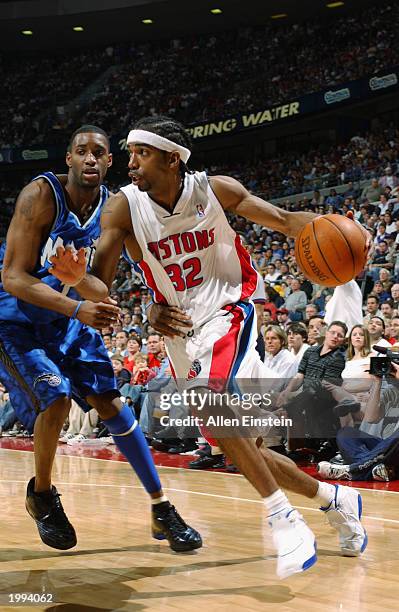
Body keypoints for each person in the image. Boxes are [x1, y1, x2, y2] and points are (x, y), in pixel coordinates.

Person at [50, 116, 367, 578]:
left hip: (229, 313)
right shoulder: (123, 207)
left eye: (141, 153)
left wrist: (333, 229)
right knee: (241, 443)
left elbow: (283, 221)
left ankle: (285, 519)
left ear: (172, 157)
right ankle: (335, 499)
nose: (131, 163)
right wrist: (78, 280)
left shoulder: (214, 190)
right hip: (179, 334)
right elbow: (102, 282)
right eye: (130, 153)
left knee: (208, 397)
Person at [0, 125, 201, 553]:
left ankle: (161, 507)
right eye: (81, 152)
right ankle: (42, 494)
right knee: (54, 399)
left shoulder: (115, 208)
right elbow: (14, 277)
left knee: (112, 404)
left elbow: (107, 285)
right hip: (16, 320)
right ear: (68, 159)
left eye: (99, 153)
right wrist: (77, 306)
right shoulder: (39, 196)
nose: (90, 158)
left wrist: (151, 305)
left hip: (68, 318)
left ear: (110, 162)